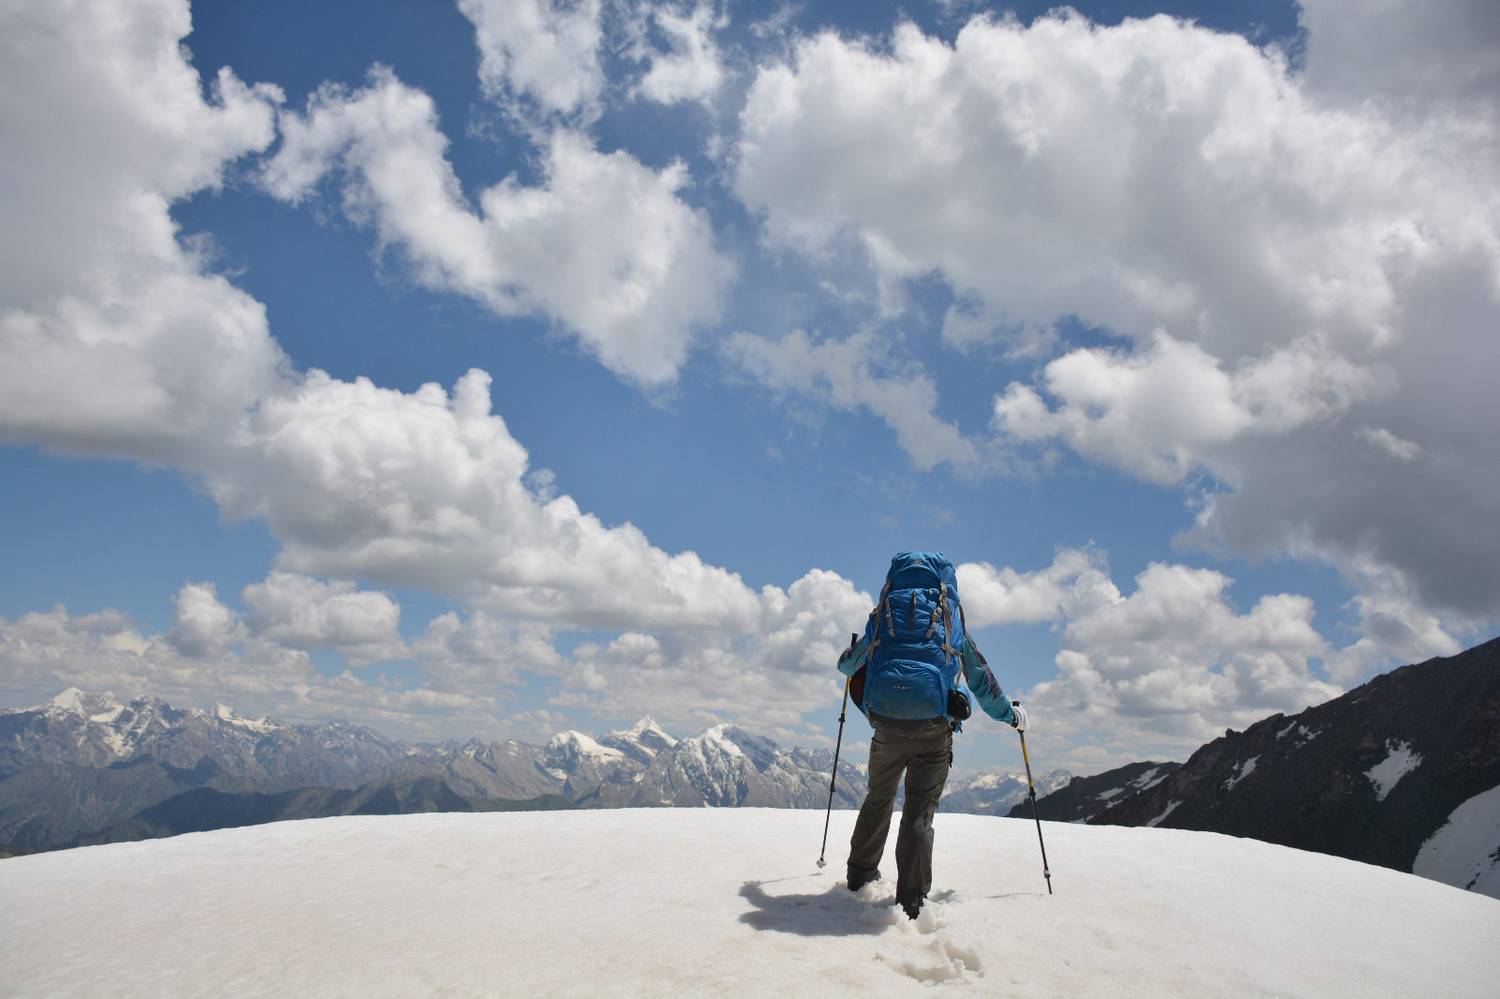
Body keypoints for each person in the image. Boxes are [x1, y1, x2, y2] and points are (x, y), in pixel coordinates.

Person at [836, 551, 1028, 919]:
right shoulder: (950, 620)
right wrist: (1011, 716)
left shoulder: (882, 619)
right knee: (919, 814)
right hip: (934, 731)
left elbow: (847, 665)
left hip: (886, 727)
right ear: (946, 582)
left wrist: (851, 650)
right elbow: (981, 682)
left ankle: (859, 878)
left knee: (878, 797)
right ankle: (911, 902)